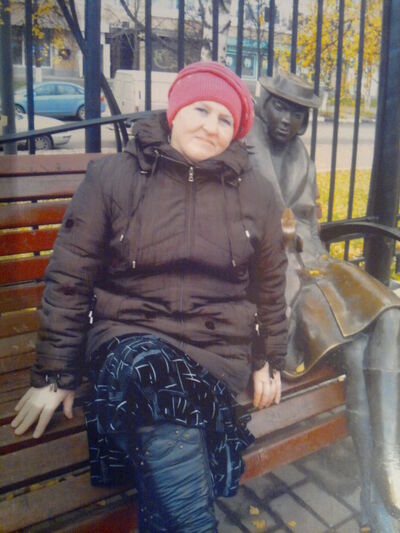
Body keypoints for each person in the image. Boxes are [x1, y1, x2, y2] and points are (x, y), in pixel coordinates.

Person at [11, 62, 288, 532]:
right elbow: (70, 276)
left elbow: (271, 284)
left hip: (213, 350)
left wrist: (268, 358)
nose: (211, 126)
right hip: (128, 339)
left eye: (226, 119)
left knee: (164, 413)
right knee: (149, 372)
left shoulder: (256, 193)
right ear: (174, 112)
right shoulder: (113, 178)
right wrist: (56, 374)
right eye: (201, 109)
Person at [247, 70, 400, 532]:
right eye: (280, 106)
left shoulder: (300, 155)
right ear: (263, 103)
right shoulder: (242, 144)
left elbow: (310, 223)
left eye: (297, 113)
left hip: (311, 264)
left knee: (390, 313)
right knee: (356, 348)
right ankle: (379, 502)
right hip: (272, 279)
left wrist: (312, 253)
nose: (287, 119)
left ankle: (389, 460)